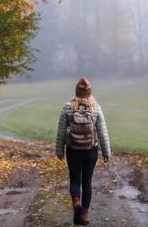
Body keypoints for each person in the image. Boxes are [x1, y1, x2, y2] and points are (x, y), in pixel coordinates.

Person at [55, 77, 111, 226]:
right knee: (87, 182)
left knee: (75, 180)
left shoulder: (67, 107)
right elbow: (102, 131)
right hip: (90, 150)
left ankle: (76, 202)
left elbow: (61, 131)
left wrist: (59, 151)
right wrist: (106, 152)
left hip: (73, 150)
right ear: (89, 92)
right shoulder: (95, 107)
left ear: (76, 91)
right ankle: (84, 214)